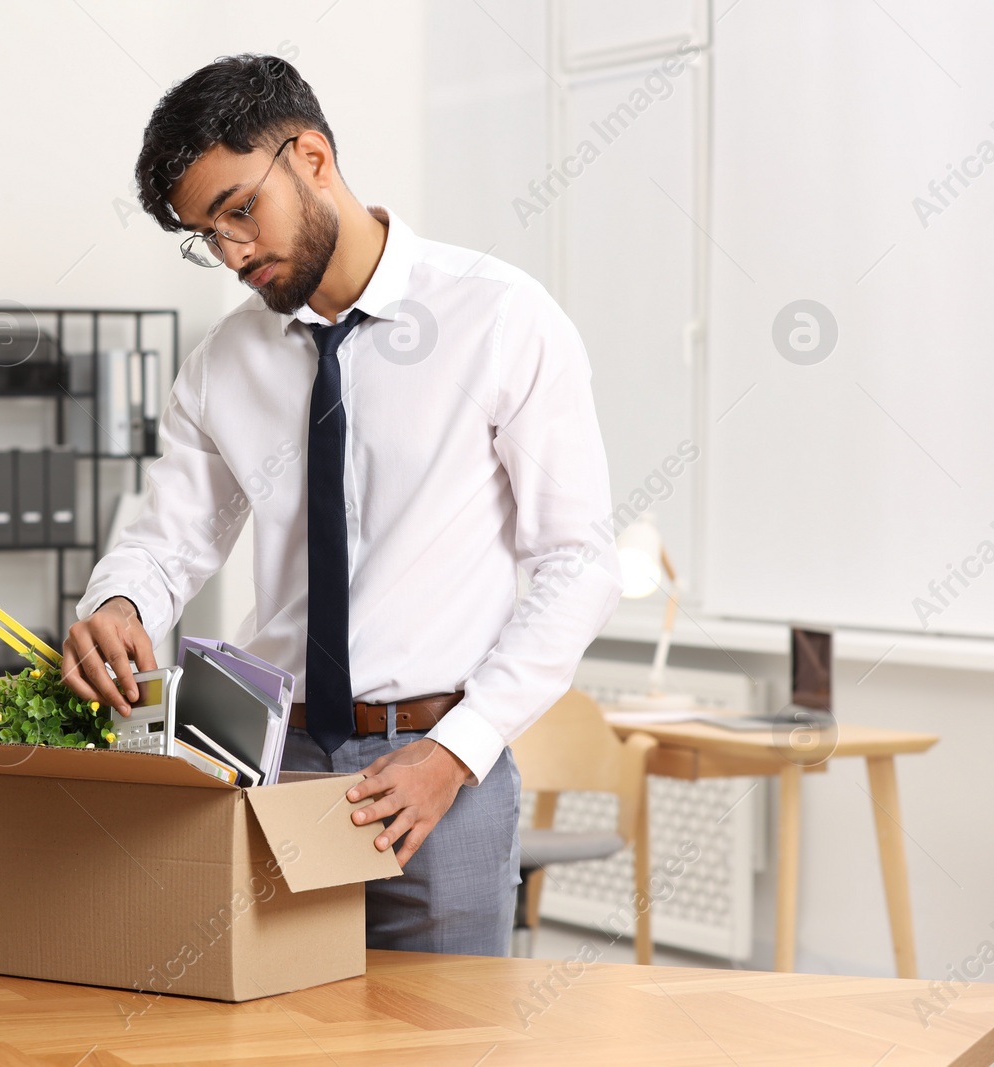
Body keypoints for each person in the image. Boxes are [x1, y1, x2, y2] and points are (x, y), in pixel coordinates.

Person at [61, 54, 622, 955]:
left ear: (313, 158)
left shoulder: (501, 318)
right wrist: (119, 600)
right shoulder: (223, 363)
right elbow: (167, 541)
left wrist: (458, 750)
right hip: (265, 758)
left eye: (241, 209)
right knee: (267, 1039)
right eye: (206, 233)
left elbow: (580, 561)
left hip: (436, 766)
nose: (233, 253)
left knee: (443, 1046)